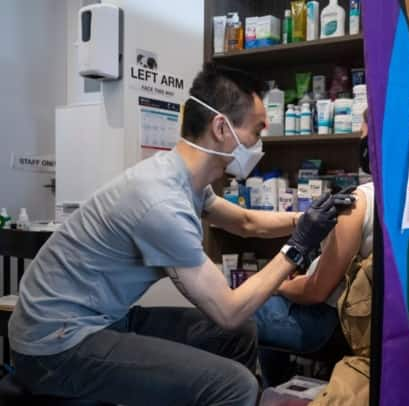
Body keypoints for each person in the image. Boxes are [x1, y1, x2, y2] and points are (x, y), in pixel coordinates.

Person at [8, 63, 345, 406]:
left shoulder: (185, 179)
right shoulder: (161, 201)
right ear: (220, 127)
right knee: (235, 385)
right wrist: (299, 246)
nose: (259, 145)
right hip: (54, 344)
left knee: (239, 336)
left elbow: (244, 222)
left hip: (102, 318)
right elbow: (228, 309)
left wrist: (305, 218)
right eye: (256, 133)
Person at [255, 109, 374, 387]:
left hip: (327, 324)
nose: (360, 136)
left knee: (244, 308)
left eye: (363, 131)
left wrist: (278, 285)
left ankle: (273, 391)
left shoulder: (357, 204)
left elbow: (317, 291)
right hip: (371, 324)